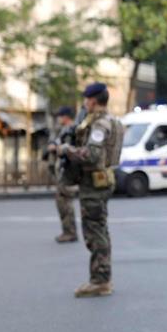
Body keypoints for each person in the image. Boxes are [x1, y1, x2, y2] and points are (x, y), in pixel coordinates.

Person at [58, 82, 122, 298]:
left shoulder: (99, 125)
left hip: (94, 184)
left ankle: (100, 281)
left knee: (95, 231)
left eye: (86, 99)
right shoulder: (107, 120)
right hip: (100, 181)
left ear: (93, 100)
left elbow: (92, 155)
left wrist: (68, 150)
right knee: (99, 229)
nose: (85, 103)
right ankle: (102, 277)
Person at [45, 106, 80, 242]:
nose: (58, 119)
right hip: (63, 171)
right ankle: (68, 231)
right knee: (62, 202)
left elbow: (70, 149)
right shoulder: (64, 130)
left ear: (65, 117)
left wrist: (55, 148)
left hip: (68, 172)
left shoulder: (72, 130)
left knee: (65, 202)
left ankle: (70, 232)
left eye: (60, 116)